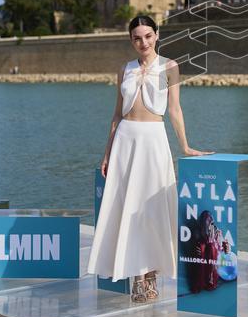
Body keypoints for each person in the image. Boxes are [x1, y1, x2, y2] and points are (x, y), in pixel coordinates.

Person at [87, 15, 213, 302]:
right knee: (126, 209)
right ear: (131, 40)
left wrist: (186, 146)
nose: (143, 42)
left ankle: (152, 273)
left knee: (153, 207)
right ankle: (136, 275)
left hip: (154, 140)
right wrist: (106, 153)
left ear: (157, 35)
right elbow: (116, 115)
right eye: (136, 38)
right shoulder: (125, 70)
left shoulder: (169, 67)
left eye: (147, 36)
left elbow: (175, 110)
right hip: (125, 142)